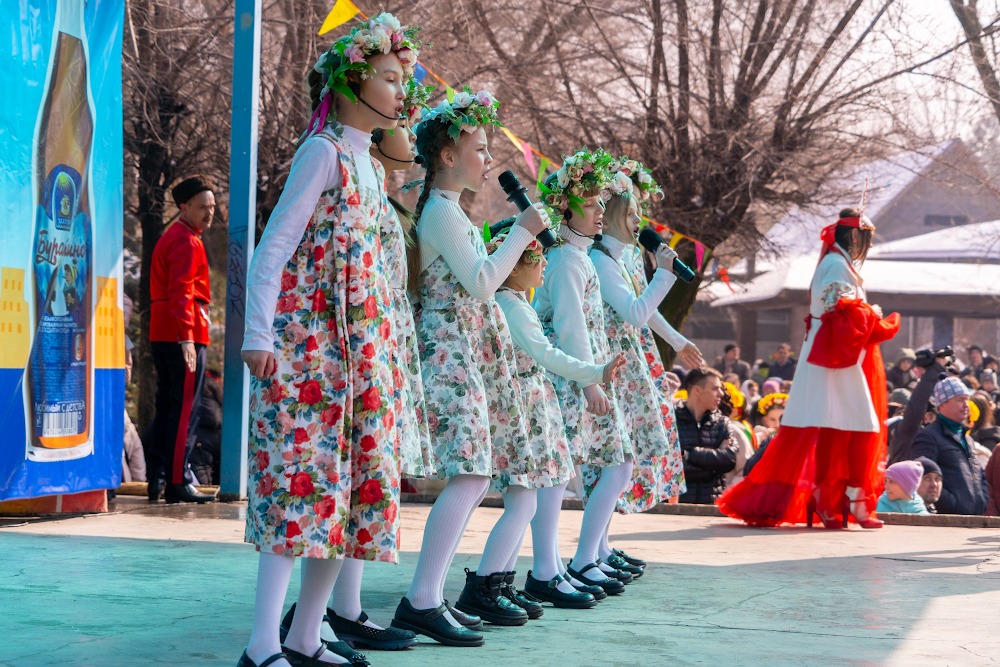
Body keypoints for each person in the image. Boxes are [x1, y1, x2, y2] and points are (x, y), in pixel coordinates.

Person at [238, 14, 420, 667]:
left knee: (351, 497)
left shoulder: (369, 165)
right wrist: (259, 330)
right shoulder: (324, 153)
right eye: (391, 78)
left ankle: (306, 636)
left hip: (361, 357)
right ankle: (262, 644)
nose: (402, 92)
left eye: (403, 80)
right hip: (311, 351)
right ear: (351, 82)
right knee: (302, 490)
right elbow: (275, 247)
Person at [388, 88, 550, 645]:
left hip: (464, 348)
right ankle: (421, 599)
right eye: (479, 148)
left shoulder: (448, 212)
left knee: (476, 473)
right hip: (450, 350)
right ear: (448, 156)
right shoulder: (441, 212)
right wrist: (524, 231)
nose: (487, 159)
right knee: (472, 472)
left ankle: (428, 598)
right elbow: (482, 282)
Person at [311, 77, 434, 655]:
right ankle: (334, 611)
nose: (410, 132)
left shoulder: (382, 188)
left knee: (373, 477)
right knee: (358, 474)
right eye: (404, 126)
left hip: (383, 331)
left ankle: (345, 608)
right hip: (357, 330)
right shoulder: (341, 167)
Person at [717, 208, 899, 528]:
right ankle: (834, 500)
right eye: (863, 239)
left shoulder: (838, 264)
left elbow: (842, 309)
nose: (863, 248)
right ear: (854, 235)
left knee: (850, 426)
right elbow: (836, 310)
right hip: (831, 357)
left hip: (839, 356)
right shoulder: (834, 265)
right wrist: (872, 315)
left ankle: (842, 500)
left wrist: (866, 314)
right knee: (846, 425)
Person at [487, 225, 623, 610]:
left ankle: (505, 583)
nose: (544, 264)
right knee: (525, 499)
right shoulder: (513, 306)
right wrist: (593, 373)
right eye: (536, 258)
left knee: (528, 498)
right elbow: (547, 352)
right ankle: (493, 585)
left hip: (534, 404)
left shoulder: (515, 302)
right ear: (513, 268)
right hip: (527, 410)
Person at [579, 156, 698, 577]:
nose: (637, 221)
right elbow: (633, 312)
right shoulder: (600, 260)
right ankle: (586, 556)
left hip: (626, 366)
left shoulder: (619, 258)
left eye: (638, 213)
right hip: (612, 367)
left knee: (621, 459)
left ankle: (597, 550)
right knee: (614, 459)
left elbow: (641, 311)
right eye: (629, 213)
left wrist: (678, 341)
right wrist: (664, 276)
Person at [531, 148, 633, 597]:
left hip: (577, 378)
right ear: (567, 207)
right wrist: (590, 382)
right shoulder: (567, 261)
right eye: (591, 204)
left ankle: (557, 566)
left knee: (567, 471)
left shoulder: (577, 257)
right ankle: (547, 570)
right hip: (565, 380)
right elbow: (571, 329)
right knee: (555, 474)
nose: (600, 213)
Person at [146, 175, 217, 504]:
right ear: (184, 207)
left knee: (167, 407)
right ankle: (177, 480)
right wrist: (187, 338)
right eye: (202, 207)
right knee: (185, 409)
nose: (209, 213)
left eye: (212, 206)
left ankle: (158, 476)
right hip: (182, 332)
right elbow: (182, 293)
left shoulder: (174, 236)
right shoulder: (187, 241)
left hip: (165, 329)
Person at [911, 376, 988, 515]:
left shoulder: (967, 439)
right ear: (942, 404)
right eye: (960, 400)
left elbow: (979, 475)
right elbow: (922, 478)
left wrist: (982, 500)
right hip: (947, 520)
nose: (966, 405)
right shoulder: (929, 436)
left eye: (967, 399)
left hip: (974, 519)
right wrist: (953, 505)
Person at [675, 368, 739, 504]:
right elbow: (670, 465)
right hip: (675, 507)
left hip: (712, 506)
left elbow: (729, 460)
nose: (721, 394)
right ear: (697, 390)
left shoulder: (721, 422)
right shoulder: (670, 421)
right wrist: (712, 466)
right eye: (715, 388)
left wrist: (688, 454)